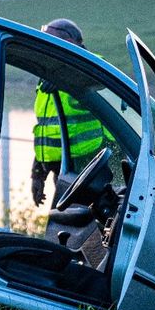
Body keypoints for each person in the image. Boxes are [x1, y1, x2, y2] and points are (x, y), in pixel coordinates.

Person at [31, 18, 109, 206]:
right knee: (63, 228)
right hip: (61, 173)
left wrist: (63, 73)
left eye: (52, 42)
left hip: (87, 169)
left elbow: (95, 76)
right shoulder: (45, 76)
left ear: (70, 44)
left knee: (77, 227)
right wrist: (37, 174)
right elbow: (45, 129)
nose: (47, 48)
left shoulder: (90, 65)